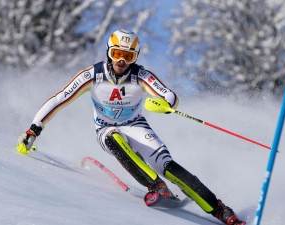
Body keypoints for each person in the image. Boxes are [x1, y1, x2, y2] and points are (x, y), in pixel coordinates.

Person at [16, 29, 246, 225]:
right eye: (117, 54)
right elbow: (60, 98)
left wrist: (166, 103)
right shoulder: (92, 75)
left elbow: (169, 95)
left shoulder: (140, 75)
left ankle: (221, 210)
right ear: (109, 52)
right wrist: (34, 129)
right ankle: (156, 186)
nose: (121, 61)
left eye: (128, 56)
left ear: (134, 57)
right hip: (106, 128)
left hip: (136, 126)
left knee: (168, 166)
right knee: (113, 138)